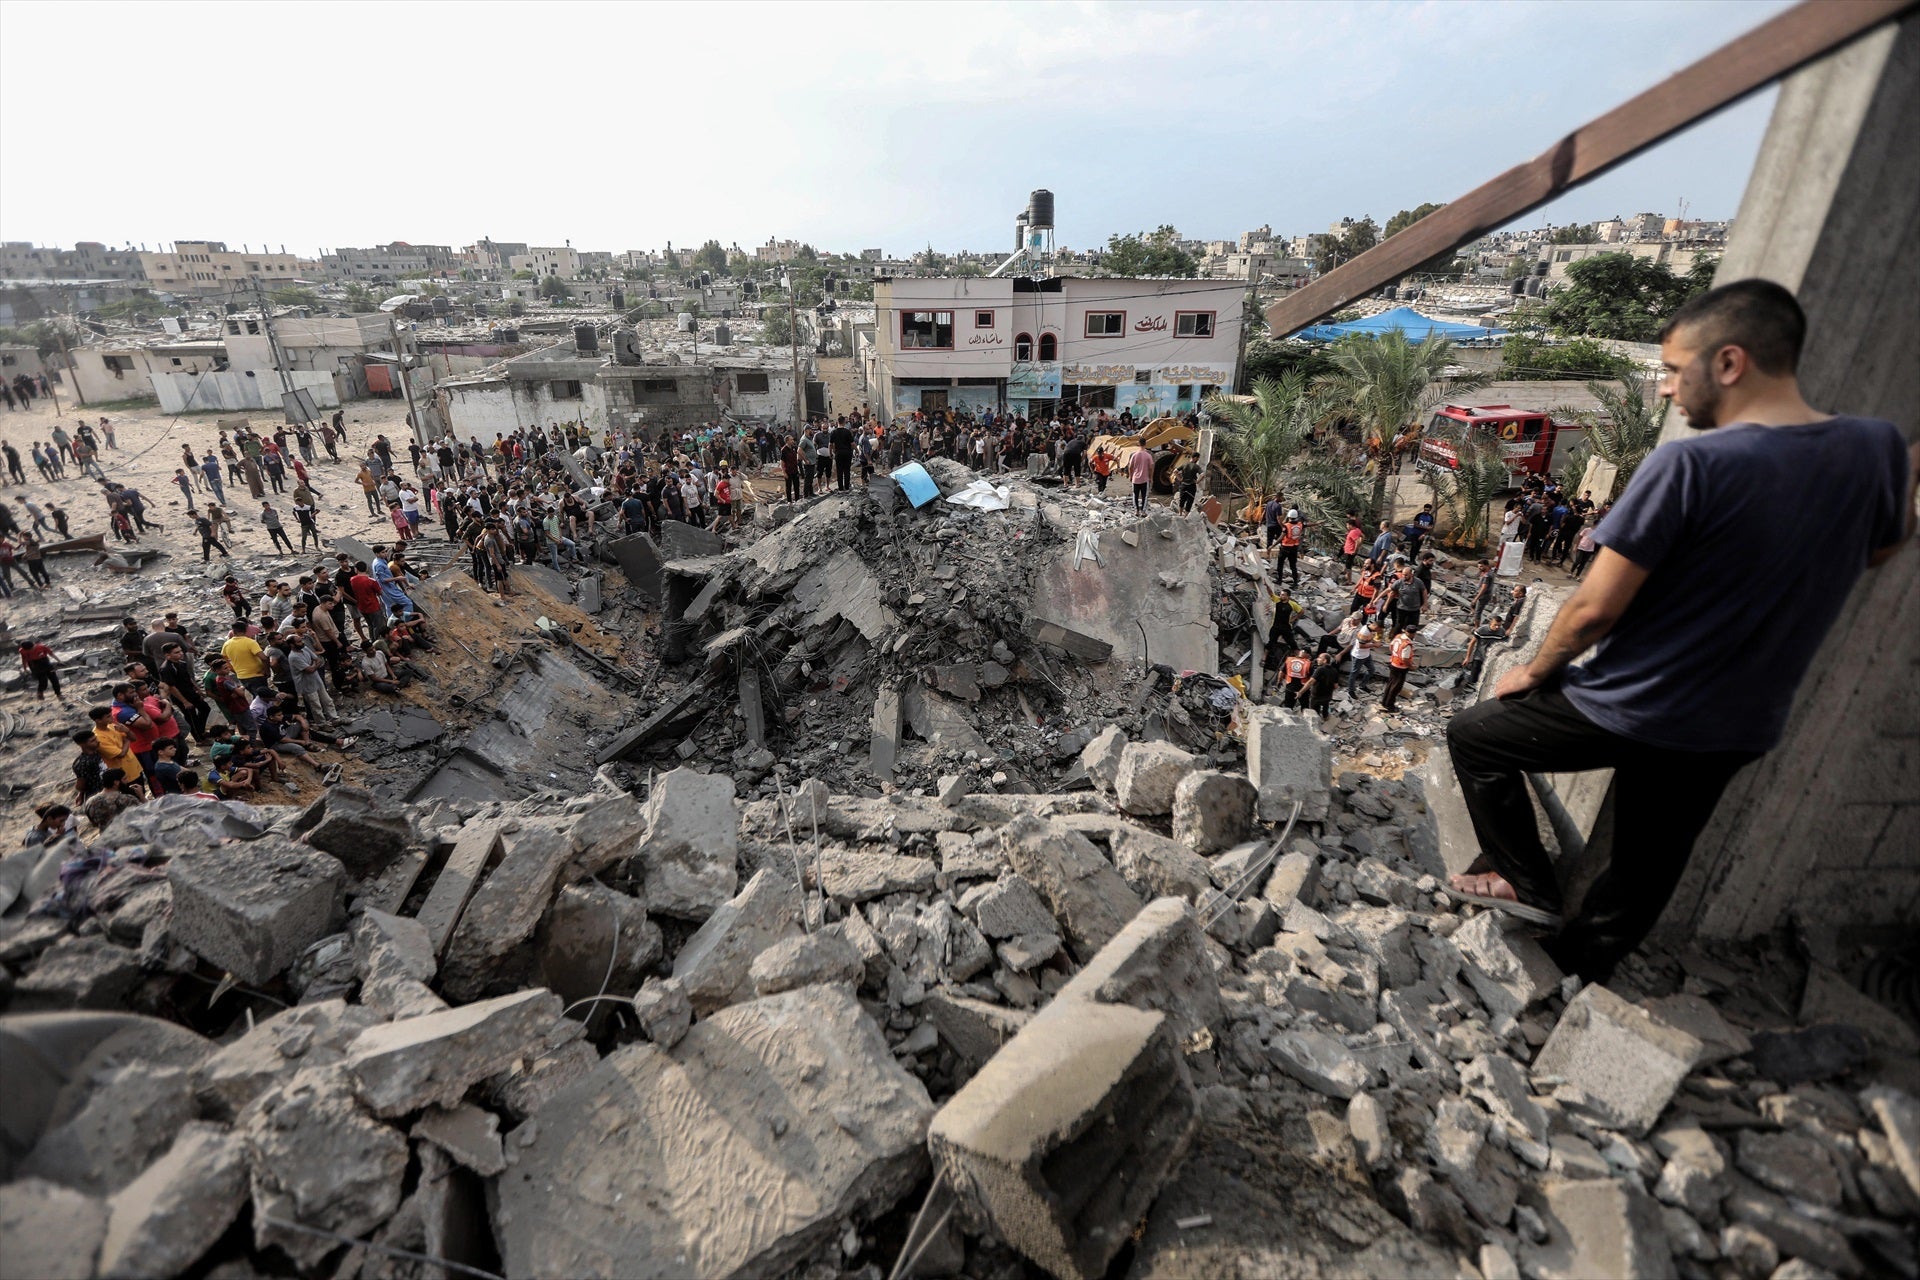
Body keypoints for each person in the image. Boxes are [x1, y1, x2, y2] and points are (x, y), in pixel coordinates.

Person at [1445, 279, 1914, 985]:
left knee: (1476, 737)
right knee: (1647, 862)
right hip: (1740, 724)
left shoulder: (1692, 463)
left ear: (1728, 364)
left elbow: (1594, 608)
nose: (1665, 390)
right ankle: (1578, 981)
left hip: (1631, 704)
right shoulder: (1875, 446)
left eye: (1671, 370)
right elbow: (1881, 549)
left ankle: (1524, 880)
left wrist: (1535, 671)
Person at [83, 768, 141, 832]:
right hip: (128, 835)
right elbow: (146, 814)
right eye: (124, 779)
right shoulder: (127, 799)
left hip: (108, 838)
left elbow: (94, 824)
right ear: (116, 782)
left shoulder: (90, 802)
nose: (127, 781)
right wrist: (141, 796)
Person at [1381, 628, 1416, 712]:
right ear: (1412, 634)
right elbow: (1405, 658)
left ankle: (1384, 702)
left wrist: (1395, 654)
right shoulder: (1407, 644)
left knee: (1390, 683)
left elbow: (1391, 646)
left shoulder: (1398, 636)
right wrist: (1411, 666)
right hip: (1401, 667)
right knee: (1396, 687)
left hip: (1393, 663)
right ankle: (1389, 706)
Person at [1127, 445, 1153, 516]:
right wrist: (1150, 477)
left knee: (1135, 495)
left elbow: (1130, 466)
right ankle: (1143, 512)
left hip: (1135, 479)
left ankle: (1136, 511)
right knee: (1144, 496)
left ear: (1139, 445)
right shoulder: (1148, 455)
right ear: (1145, 444)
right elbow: (1151, 467)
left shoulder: (1134, 455)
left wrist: (1130, 475)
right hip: (1145, 479)